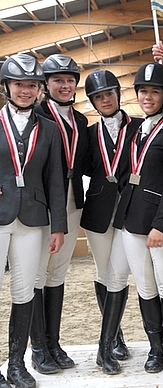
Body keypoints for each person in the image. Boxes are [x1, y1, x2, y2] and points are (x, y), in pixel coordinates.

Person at [114, 63, 163, 374]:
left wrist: (161, 223)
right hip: (132, 219)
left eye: (154, 91)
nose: (147, 96)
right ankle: (156, 348)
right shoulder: (135, 128)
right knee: (145, 287)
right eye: (143, 91)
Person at [0, 53, 66, 388]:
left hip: (34, 218)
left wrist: (58, 226)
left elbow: (56, 178)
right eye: (18, 84)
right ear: (6, 87)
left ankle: (16, 365)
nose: (25, 91)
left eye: (31, 85)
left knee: (24, 291)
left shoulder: (50, 130)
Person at [29, 54, 89, 375]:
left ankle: (54, 342)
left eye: (69, 80)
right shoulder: (36, 114)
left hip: (71, 198)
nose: (64, 86)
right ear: (46, 85)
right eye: (57, 80)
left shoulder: (80, 121)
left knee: (59, 271)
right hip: (43, 200)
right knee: (39, 271)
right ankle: (38, 347)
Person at [81, 69, 140, 372]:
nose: (105, 100)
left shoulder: (140, 127)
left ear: (118, 94)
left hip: (130, 211)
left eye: (109, 94)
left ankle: (103, 350)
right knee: (105, 274)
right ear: (92, 101)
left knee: (118, 275)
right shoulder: (89, 134)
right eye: (98, 96)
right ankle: (116, 336)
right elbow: (81, 167)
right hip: (99, 212)